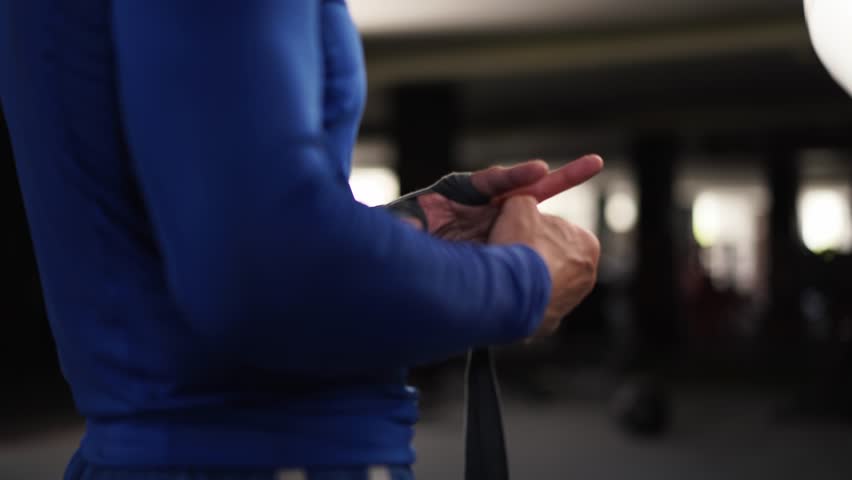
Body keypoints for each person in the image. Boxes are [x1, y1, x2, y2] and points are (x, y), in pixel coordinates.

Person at [0, 1, 602, 479]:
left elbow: (189, 229)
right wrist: (526, 281)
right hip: (257, 458)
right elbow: (263, 272)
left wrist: (413, 229)